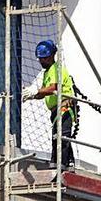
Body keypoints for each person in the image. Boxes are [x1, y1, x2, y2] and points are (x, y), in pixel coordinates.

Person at [23, 40, 78, 169]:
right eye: (40, 59)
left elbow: (54, 87)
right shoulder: (48, 72)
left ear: (51, 56)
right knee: (57, 137)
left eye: (44, 58)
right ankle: (60, 163)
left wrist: (36, 90)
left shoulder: (56, 69)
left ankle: (62, 165)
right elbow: (44, 92)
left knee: (62, 136)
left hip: (64, 107)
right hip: (56, 110)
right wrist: (31, 95)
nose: (41, 61)